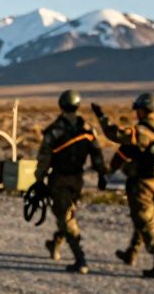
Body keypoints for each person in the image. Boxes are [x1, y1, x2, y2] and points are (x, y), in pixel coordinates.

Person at [91, 93, 154, 279]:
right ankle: (131, 252)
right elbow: (125, 152)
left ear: (144, 110)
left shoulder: (141, 132)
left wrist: (101, 116)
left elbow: (113, 134)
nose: (136, 113)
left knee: (146, 223)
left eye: (138, 109)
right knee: (143, 218)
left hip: (143, 185)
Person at [33, 89, 107, 274]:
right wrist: (101, 173)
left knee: (65, 216)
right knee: (66, 213)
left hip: (60, 179)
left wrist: (39, 179)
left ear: (61, 105)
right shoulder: (88, 129)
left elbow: (44, 157)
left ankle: (80, 259)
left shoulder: (54, 130)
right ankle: (54, 243)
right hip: (78, 180)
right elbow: (97, 153)